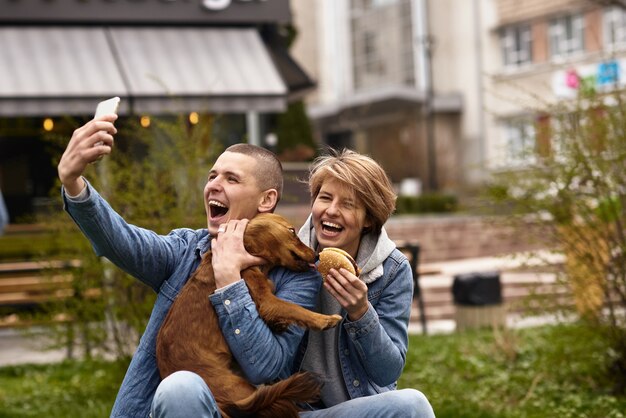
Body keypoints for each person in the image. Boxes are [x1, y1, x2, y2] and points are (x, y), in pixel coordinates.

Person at [57, 113, 323, 418]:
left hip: (251, 409)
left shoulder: (297, 277)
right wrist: (73, 183)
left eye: (231, 178)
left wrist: (229, 281)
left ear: (267, 200)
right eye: (212, 176)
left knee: (391, 407)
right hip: (178, 407)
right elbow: (120, 240)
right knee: (181, 387)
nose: (213, 185)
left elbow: (266, 366)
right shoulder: (186, 250)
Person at [295, 148, 435, 417]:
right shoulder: (287, 258)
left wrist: (361, 314)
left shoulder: (392, 270)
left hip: (360, 406)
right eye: (325, 198)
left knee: (412, 405)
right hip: (295, 410)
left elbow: (388, 372)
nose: (331, 211)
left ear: (369, 219)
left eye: (348, 204)